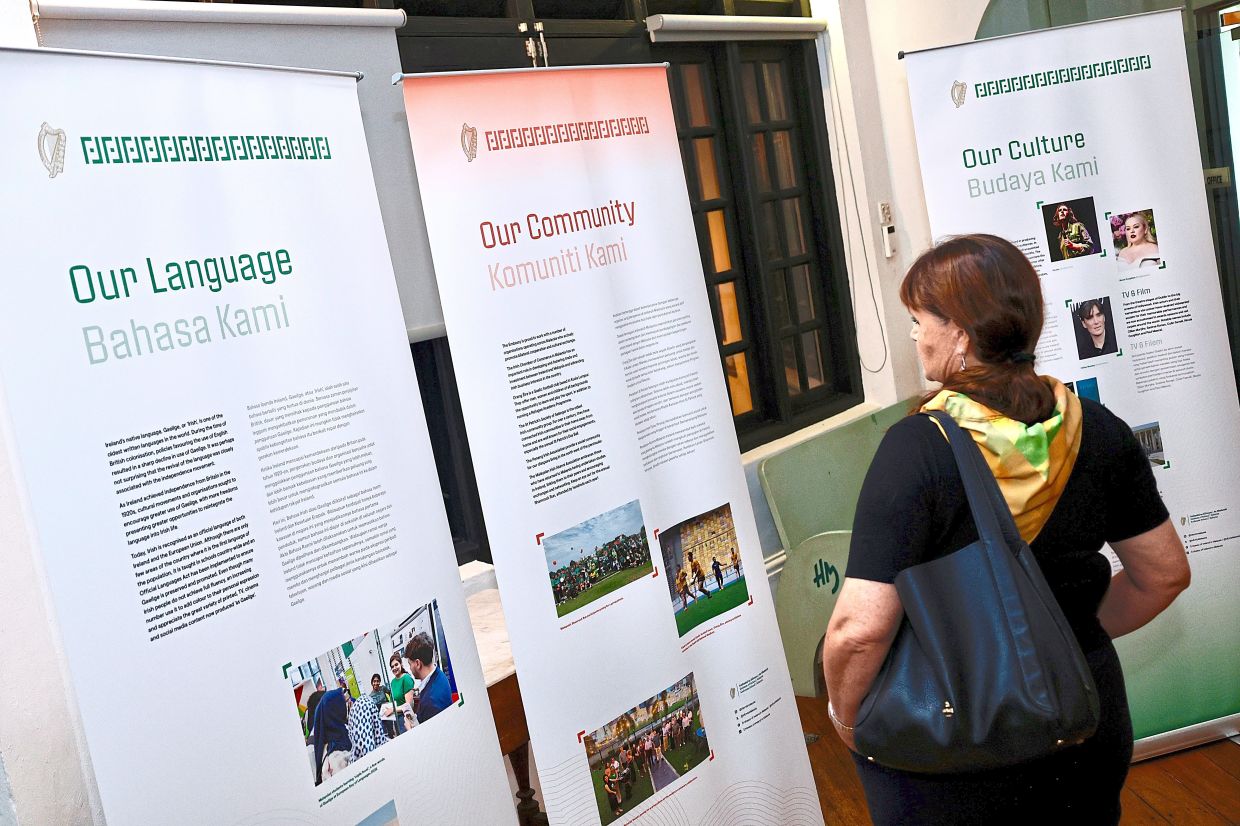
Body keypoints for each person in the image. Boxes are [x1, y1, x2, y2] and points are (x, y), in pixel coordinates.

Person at [824, 234, 1190, 825]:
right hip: (1081, 719)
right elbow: (1165, 575)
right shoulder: (1095, 427)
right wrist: (1066, 642)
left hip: (954, 731)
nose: (915, 337)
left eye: (920, 321)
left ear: (961, 335)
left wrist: (845, 718)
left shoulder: (917, 448)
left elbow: (859, 631)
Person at [405, 631, 453, 724]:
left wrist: (410, 728)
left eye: (410, 664)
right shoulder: (439, 674)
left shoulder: (430, 702)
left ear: (418, 663)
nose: (410, 668)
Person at [311, 686, 352, 786]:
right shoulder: (336, 756)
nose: (347, 705)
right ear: (335, 711)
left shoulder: (338, 736)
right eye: (344, 703)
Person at [388, 654, 416, 735]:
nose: (394, 668)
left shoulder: (406, 678)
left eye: (396, 664)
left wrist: (392, 709)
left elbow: (408, 706)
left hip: (405, 719)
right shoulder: (393, 682)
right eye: (392, 666)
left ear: (401, 664)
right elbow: (392, 701)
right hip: (395, 718)